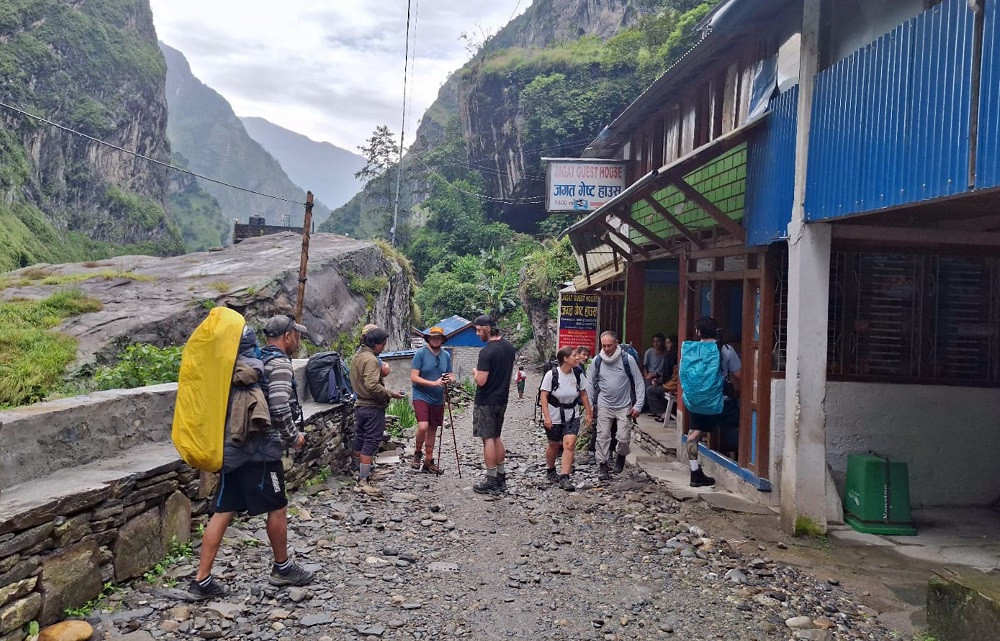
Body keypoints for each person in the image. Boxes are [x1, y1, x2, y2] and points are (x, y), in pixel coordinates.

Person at [188, 317, 313, 600]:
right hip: (260, 453)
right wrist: (295, 438)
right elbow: (280, 409)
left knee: (223, 511)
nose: (298, 340)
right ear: (287, 336)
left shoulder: (247, 361)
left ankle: (202, 580)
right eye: (296, 334)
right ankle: (282, 568)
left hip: (233, 447)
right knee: (278, 506)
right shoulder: (279, 364)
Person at [679, 317, 740, 487]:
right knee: (742, 426)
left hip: (696, 401)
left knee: (693, 435)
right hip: (721, 402)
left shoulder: (691, 349)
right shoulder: (725, 349)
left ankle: (694, 472)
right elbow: (739, 374)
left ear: (698, 332)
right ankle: (740, 460)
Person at [349, 327, 405, 495]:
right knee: (371, 441)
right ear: (376, 344)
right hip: (372, 406)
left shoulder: (357, 357)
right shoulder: (371, 360)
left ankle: (358, 471)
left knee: (360, 438)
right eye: (383, 344)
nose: (383, 347)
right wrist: (391, 394)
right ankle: (364, 479)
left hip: (359, 405)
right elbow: (372, 385)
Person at [586, 331, 645, 481]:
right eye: (604, 345)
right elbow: (590, 384)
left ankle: (621, 455)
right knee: (603, 436)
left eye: (609, 345)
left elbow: (639, 382)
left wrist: (638, 405)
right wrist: (589, 406)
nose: (606, 349)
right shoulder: (597, 361)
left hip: (624, 405)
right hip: (604, 404)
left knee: (623, 438)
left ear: (616, 343)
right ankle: (602, 466)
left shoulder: (628, 359)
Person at [470, 314, 516, 496]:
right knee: (497, 436)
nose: (477, 333)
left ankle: (490, 479)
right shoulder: (508, 347)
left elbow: (481, 381)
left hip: (486, 400)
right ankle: (501, 475)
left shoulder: (487, 352)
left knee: (488, 438)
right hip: (502, 398)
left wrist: (475, 372)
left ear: (487, 328)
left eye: (478, 330)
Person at [539, 346, 593, 491]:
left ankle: (565, 477)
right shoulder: (552, 375)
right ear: (565, 359)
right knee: (554, 444)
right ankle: (550, 469)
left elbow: (583, 394)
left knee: (569, 445)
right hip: (554, 415)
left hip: (572, 414)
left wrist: (588, 413)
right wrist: (547, 417)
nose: (578, 358)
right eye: (574, 355)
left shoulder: (578, 373)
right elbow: (543, 396)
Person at [409, 326, 453, 474]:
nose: (436, 340)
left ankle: (429, 461)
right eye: (433, 337)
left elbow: (451, 374)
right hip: (421, 394)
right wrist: (433, 383)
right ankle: (417, 452)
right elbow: (414, 377)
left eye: (438, 338)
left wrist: (449, 379)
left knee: (433, 429)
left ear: (442, 339)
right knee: (423, 426)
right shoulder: (420, 354)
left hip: (437, 397)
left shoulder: (446, 355)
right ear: (428, 339)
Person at [646, 335, 679, 422]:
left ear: (674, 343)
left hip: (672, 385)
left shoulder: (670, 355)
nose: (666, 345)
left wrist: (658, 382)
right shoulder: (678, 353)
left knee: (650, 390)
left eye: (668, 343)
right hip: (675, 383)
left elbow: (667, 375)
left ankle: (662, 413)